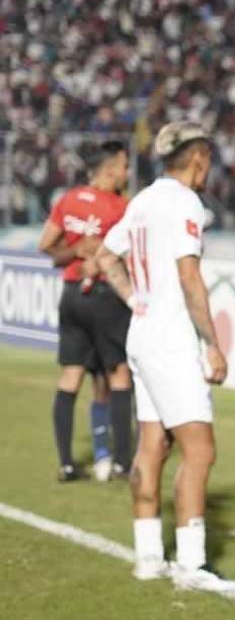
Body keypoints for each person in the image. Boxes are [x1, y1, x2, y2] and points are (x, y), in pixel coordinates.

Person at [95, 121, 235, 593]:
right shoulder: (184, 202)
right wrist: (212, 343)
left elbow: (104, 256)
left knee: (152, 444)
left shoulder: (142, 201)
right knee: (200, 449)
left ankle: (148, 556)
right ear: (198, 157)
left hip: (142, 333)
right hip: (172, 339)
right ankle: (192, 564)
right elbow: (189, 278)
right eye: (208, 158)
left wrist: (134, 299)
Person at [39, 140, 135, 483]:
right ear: (109, 169)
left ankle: (67, 464)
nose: (127, 172)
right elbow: (131, 255)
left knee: (71, 375)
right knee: (119, 375)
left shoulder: (68, 200)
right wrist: (95, 255)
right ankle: (122, 463)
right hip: (107, 296)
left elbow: (47, 247)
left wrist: (77, 249)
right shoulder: (121, 207)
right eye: (123, 166)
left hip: (72, 296)